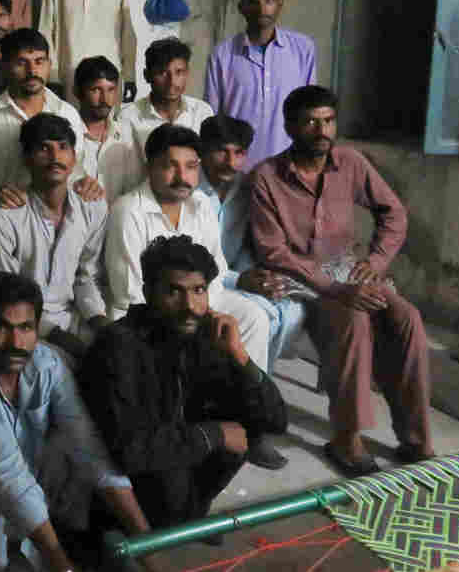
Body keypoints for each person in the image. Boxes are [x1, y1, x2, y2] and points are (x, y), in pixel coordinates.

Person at [249, 85, 433, 477]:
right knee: (353, 320)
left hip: (348, 267)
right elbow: (273, 251)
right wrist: (336, 288)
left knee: (407, 319)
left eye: (328, 121)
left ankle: (416, 438)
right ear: (289, 126)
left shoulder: (350, 162)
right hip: (299, 275)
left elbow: (394, 214)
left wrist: (377, 263)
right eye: (310, 122)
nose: (322, 131)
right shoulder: (266, 176)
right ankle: (346, 439)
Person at [0, 271, 156, 572]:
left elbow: (88, 447)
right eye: (0, 327)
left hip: (28, 507)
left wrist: (150, 545)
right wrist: (62, 566)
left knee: (73, 449)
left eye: (26, 328)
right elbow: (4, 471)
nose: (16, 342)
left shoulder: (47, 364)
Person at [79, 235, 287, 531]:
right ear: (148, 292)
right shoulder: (117, 347)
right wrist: (212, 434)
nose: (190, 305)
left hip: (177, 473)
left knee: (244, 428)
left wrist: (240, 356)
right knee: (180, 450)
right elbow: (131, 451)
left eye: (198, 290)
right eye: (173, 292)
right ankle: (165, 527)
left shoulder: (205, 336)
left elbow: (276, 421)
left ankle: (188, 517)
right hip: (124, 493)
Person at [104, 125, 272, 375]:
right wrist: (194, 315)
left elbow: (216, 272)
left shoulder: (201, 203)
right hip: (148, 313)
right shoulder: (128, 211)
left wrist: (205, 309)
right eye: (170, 166)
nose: (182, 176)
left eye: (191, 167)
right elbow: (129, 294)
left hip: (196, 302)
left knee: (253, 317)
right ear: (150, 167)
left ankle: (246, 399)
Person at [0, 114, 110, 358]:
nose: (55, 157)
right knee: (55, 367)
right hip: (24, 329)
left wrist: (100, 322)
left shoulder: (92, 208)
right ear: (27, 158)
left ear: (74, 157)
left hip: (75, 319)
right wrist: (58, 337)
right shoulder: (3, 219)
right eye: (43, 148)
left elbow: (87, 276)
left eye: (63, 147)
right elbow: (6, 299)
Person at [198, 114, 308, 374]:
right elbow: (190, 261)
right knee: (255, 316)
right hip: (203, 286)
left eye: (239, 153)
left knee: (291, 311)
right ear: (203, 151)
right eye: (221, 152)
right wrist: (239, 279)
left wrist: (257, 276)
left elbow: (251, 241)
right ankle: (245, 389)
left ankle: (258, 384)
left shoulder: (247, 188)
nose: (231, 162)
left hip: (237, 278)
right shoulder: (188, 189)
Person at [205, 0, 316, 169]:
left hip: (288, 167)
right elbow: (212, 117)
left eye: (269, 0)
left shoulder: (302, 49)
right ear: (242, 7)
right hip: (236, 168)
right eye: (253, 2)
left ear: (280, 4)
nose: (262, 8)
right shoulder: (222, 55)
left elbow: (310, 111)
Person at [0, 28, 88, 193]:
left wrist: (87, 185)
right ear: (4, 66)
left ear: (49, 64)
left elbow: (77, 174)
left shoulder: (67, 113)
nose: (32, 71)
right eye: (21, 63)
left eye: (39, 61)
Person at [120, 37, 214, 192]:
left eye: (179, 72)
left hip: (192, 201)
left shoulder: (202, 112)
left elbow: (207, 169)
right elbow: (130, 178)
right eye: (162, 73)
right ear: (146, 75)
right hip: (145, 204)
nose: (172, 81)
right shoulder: (129, 117)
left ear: (187, 73)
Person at [73, 56, 136, 202]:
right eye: (96, 90)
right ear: (77, 91)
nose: (105, 99)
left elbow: (134, 186)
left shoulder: (126, 133)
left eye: (111, 90)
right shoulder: (66, 134)